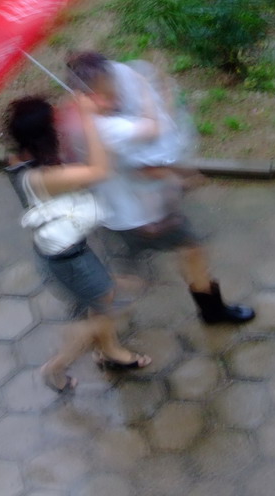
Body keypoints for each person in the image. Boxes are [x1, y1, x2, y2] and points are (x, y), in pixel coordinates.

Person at [62, 51, 255, 325]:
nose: (114, 98)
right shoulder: (109, 128)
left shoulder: (77, 119)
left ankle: (91, 299)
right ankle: (213, 312)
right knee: (191, 250)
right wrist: (145, 86)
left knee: (132, 272)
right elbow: (153, 138)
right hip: (142, 215)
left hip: (114, 214)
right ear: (88, 96)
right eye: (106, 94)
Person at [4, 92, 151, 394]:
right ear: (45, 133)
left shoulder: (20, 157)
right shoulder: (44, 177)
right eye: (53, 122)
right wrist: (88, 119)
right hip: (69, 259)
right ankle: (55, 368)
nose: (59, 124)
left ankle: (110, 351)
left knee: (103, 300)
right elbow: (99, 171)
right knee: (104, 307)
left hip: (59, 252)